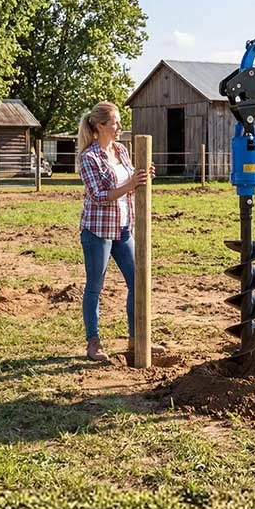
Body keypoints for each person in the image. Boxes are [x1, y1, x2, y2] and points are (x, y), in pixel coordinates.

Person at [76, 101, 153, 360]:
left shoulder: (121, 150)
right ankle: (93, 342)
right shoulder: (88, 157)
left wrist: (143, 177)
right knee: (95, 286)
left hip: (123, 227)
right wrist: (131, 183)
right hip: (98, 230)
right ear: (99, 126)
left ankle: (136, 338)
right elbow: (98, 195)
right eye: (115, 123)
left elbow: (132, 179)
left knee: (137, 281)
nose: (119, 126)